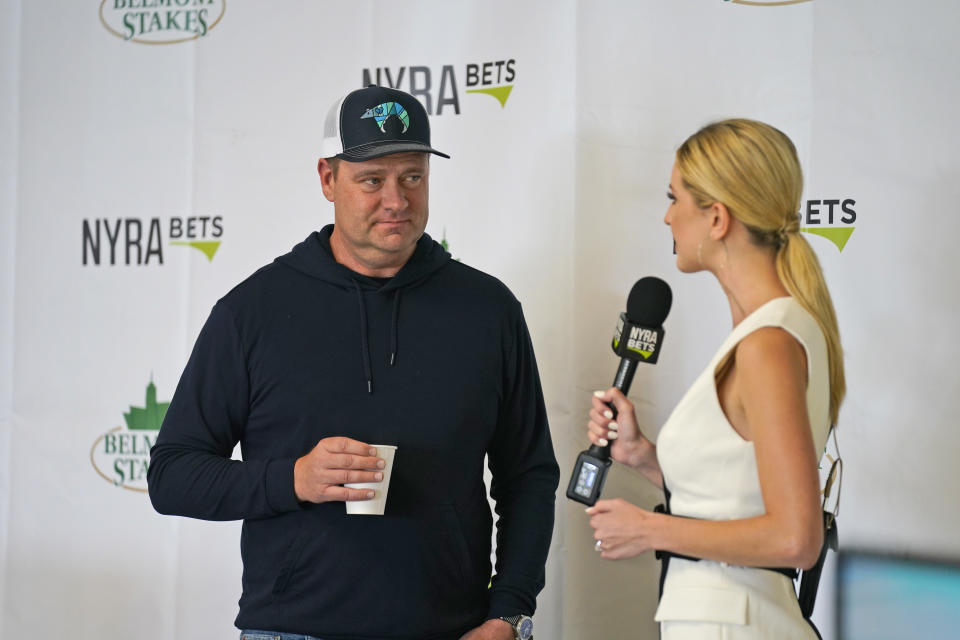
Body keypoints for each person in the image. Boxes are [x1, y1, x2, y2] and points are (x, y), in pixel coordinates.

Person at [148, 85, 559, 640]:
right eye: (372, 180)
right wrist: (293, 479)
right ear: (327, 179)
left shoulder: (488, 310)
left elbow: (528, 475)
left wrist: (508, 611)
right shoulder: (254, 312)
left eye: (412, 176)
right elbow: (172, 475)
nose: (396, 200)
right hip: (293, 630)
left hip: (453, 629)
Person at [584, 119, 844, 639]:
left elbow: (797, 538)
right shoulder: (773, 331)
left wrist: (648, 529)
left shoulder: (768, 343)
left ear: (718, 218)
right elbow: (737, 495)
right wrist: (641, 455)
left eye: (675, 197)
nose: (667, 215)